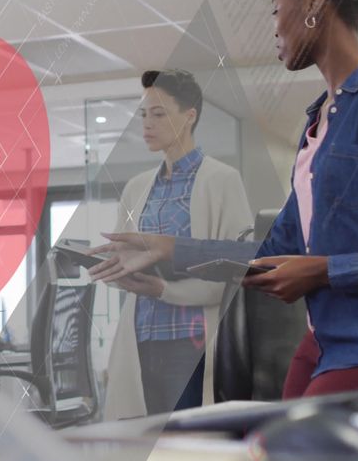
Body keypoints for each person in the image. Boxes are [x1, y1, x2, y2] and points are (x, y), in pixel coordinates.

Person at [90, 0, 358, 399]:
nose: (274, 28)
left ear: (314, 4)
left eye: (277, 10)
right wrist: (167, 248)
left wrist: (325, 271)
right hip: (326, 340)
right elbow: (271, 250)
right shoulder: (320, 125)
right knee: (270, 447)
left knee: (289, 457)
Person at [103, 69, 252, 419]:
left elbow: (233, 275)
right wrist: (115, 268)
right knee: (142, 448)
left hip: (192, 342)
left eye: (158, 114)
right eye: (143, 115)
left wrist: (162, 290)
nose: (147, 124)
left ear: (189, 116)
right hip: (140, 340)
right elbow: (124, 257)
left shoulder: (222, 181)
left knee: (185, 447)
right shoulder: (137, 188)